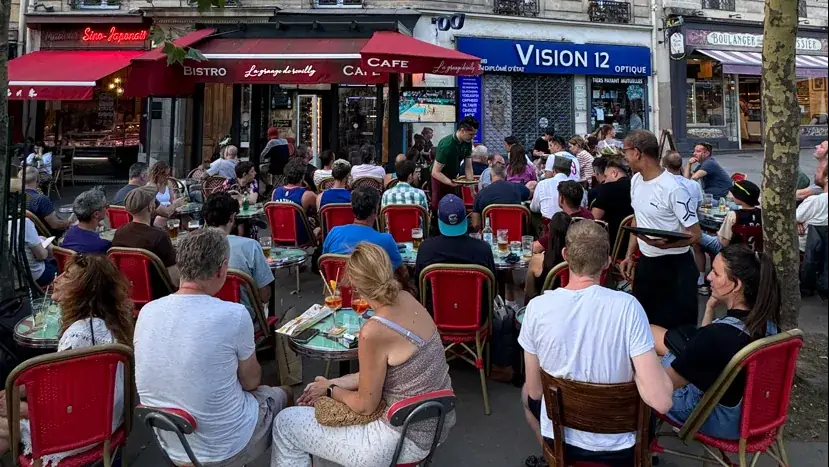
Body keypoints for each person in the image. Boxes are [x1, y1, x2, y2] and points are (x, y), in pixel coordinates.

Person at [275, 242, 455, 466]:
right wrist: (332, 382)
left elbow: (365, 405)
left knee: (285, 423)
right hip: (433, 423)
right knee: (320, 431)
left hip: (401, 437)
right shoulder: (408, 299)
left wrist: (331, 390)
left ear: (357, 286)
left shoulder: (374, 331)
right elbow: (383, 375)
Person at [519, 221, 673, 463]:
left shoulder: (537, 308)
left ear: (565, 255)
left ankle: (554, 459)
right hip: (620, 446)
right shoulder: (628, 307)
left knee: (525, 394)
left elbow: (536, 392)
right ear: (607, 261)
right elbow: (661, 402)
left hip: (562, 439)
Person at [135, 228, 290, 466]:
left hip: (171, 442)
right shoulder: (234, 314)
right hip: (225, 447)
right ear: (221, 269)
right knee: (285, 394)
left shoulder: (147, 312)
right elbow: (251, 383)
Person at [651, 245, 780, 439]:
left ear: (736, 285)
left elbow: (662, 388)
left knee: (642, 365)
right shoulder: (768, 326)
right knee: (657, 338)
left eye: (716, 273)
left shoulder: (718, 336)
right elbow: (703, 347)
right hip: (753, 417)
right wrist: (710, 307)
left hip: (713, 417)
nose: (708, 277)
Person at [18, 255, 134, 465]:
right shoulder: (106, 325)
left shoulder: (79, 336)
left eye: (67, 276)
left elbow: (69, 405)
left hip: (83, 432)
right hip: (109, 424)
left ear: (83, 290)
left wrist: (24, 409)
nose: (57, 279)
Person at [620, 130, 701, 330]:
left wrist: (667, 245)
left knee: (678, 330)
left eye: (626, 152)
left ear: (637, 153)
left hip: (676, 268)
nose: (624, 157)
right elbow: (637, 217)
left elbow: (695, 234)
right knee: (645, 326)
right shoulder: (635, 181)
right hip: (647, 265)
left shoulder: (674, 189)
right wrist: (629, 255)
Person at [204, 192, 273, 319]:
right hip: (243, 320)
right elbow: (264, 296)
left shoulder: (192, 246)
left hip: (205, 318)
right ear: (232, 218)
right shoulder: (250, 246)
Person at [323, 187, 407, 282]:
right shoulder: (386, 240)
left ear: (352, 208)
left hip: (337, 292)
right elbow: (402, 274)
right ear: (376, 210)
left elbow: (325, 264)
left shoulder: (334, 232)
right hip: (371, 294)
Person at [415, 194, 495, 292]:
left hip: (435, 307)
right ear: (465, 218)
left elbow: (419, 286)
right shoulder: (483, 249)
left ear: (439, 220)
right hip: (476, 306)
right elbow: (493, 289)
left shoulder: (425, 248)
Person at [696, 180, 762, 294]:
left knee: (696, 237)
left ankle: (701, 278)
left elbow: (723, 242)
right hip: (753, 252)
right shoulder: (762, 215)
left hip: (732, 252)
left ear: (740, 198)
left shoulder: (733, 215)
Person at [112, 186, 180, 290]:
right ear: (151, 207)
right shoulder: (160, 237)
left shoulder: (119, 233)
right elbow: (175, 280)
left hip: (128, 290)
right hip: (157, 293)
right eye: (154, 202)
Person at [431, 116, 478, 211]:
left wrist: (472, 190)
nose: (473, 137)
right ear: (462, 130)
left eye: (474, 134)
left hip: (453, 176)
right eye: (471, 134)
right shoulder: (446, 145)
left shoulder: (467, 143)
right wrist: (449, 183)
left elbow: (468, 167)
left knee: (454, 203)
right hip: (439, 176)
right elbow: (435, 172)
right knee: (438, 205)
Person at [591, 157, 634, 257]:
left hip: (614, 244)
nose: (605, 180)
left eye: (606, 176)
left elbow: (594, 218)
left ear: (614, 173)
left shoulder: (608, 188)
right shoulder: (637, 185)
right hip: (636, 241)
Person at [272, 158, 318, 246]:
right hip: (299, 239)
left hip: (278, 236)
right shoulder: (307, 195)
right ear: (303, 176)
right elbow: (319, 210)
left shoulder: (275, 192)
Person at [471, 164, 531, 231]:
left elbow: (475, 224)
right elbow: (530, 195)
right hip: (516, 234)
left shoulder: (481, 193)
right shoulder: (518, 188)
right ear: (506, 176)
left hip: (490, 237)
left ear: (490, 177)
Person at [20, 166, 71, 236]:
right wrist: (70, 223)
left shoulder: (16, 197)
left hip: (26, 235)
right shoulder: (41, 199)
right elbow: (55, 225)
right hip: (45, 238)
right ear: (38, 180)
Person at [60, 188, 112, 254]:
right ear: (96, 214)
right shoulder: (102, 245)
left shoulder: (69, 234)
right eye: (106, 206)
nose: (108, 208)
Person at [796, 159, 828, 252]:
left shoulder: (815, 201)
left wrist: (796, 221)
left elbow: (790, 219)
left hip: (806, 252)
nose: (815, 173)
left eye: (818, 171)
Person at [531, 155, 573, 220]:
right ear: (569, 173)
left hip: (548, 226)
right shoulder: (579, 187)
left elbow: (534, 208)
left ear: (553, 170)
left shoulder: (542, 184)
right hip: (572, 226)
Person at [149, 161, 186, 229]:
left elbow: (172, 201)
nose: (167, 177)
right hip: (159, 213)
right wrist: (176, 205)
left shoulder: (168, 183)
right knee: (164, 220)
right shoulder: (150, 187)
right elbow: (153, 210)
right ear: (157, 174)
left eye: (168, 175)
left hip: (171, 210)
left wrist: (178, 203)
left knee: (186, 217)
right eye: (165, 175)